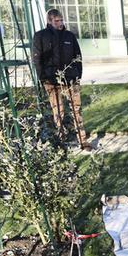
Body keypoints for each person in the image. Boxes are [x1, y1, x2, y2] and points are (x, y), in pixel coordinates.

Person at [32, 8, 90, 150]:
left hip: (71, 79)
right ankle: (61, 141)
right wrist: (43, 77)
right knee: (58, 111)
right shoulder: (40, 36)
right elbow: (37, 59)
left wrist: (78, 74)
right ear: (49, 21)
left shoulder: (69, 36)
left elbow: (78, 56)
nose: (60, 23)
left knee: (77, 109)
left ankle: (83, 141)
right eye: (57, 20)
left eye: (61, 20)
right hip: (51, 81)